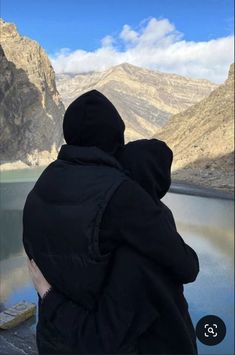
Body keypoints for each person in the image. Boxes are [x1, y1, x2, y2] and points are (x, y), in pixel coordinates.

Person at [23, 90, 199, 354]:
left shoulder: (41, 186)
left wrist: (46, 294)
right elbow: (185, 266)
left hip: (51, 339)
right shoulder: (121, 194)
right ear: (117, 137)